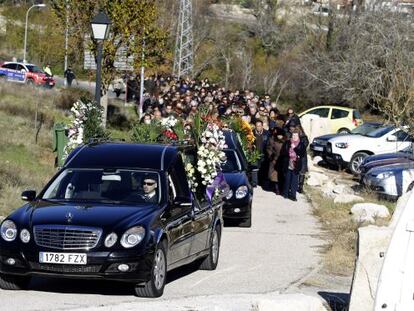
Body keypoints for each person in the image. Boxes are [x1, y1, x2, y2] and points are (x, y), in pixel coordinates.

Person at [280, 129, 306, 201]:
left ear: (298, 136)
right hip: (288, 162)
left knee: (294, 181)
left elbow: (302, 154)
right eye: (293, 135)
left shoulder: (301, 144)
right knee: (287, 179)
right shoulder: (287, 142)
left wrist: (295, 148)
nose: (294, 137)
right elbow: (283, 151)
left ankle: (293, 195)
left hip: (296, 164)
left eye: (296, 135)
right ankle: (285, 193)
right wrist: (288, 154)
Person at [266, 127, 285, 195]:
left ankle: (280, 188)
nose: (280, 136)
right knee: (274, 176)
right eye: (278, 135)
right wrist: (271, 155)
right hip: (274, 160)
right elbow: (269, 148)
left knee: (281, 175)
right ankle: (276, 189)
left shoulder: (285, 142)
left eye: (281, 135)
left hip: (282, 161)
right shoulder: (273, 140)